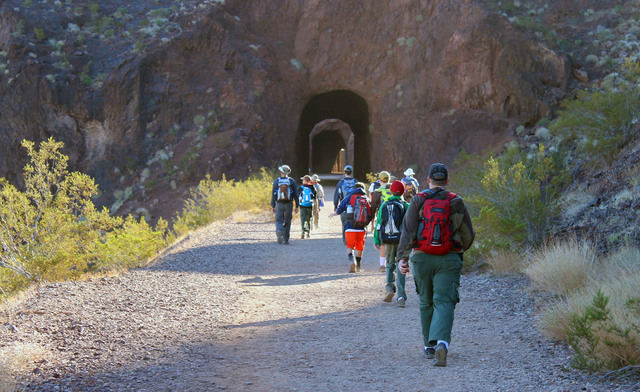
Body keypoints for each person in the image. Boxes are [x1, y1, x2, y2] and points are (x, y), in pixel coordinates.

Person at [397, 163, 475, 367]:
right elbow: (468, 234)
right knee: (445, 301)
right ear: (447, 181)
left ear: (428, 180)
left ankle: (429, 347)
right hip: (449, 257)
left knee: (426, 301)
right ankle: (441, 343)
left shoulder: (418, 200)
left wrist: (402, 259)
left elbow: (408, 231)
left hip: (422, 257)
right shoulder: (456, 201)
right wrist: (457, 251)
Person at [373, 181, 409, 307]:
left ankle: (389, 289)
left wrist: (377, 240)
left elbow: (378, 224)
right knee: (401, 266)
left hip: (388, 241)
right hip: (402, 242)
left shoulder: (384, 206)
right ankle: (401, 296)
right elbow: (411, 225)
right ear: (403, 192)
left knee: (389, 265)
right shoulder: (406, 206)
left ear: (391, 192)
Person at [329, 182, 371, 273]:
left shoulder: (349, 197)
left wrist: (335, 213)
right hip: (361, 228)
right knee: (360, 246)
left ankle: (352, 260)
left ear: (353, 188)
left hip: (350, 226)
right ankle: (359, 266)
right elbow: (370, 213)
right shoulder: (366, 199)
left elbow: (340, 208)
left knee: (350, 245)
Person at [270, 165, 299, 244]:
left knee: (279, 220)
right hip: (289, 203)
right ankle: (286, 239)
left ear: (281, 172)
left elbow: (274, 193)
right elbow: (296, 194)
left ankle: (279, 231)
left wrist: (273, 205)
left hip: (279, 203)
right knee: (288, 221)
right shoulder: (292, 181)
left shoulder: (277, 181)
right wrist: (297, 205)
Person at [370, 171, 391, 272]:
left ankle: (382, 264)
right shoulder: (394, 189)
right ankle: (392, 262)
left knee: (383, 241)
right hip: (396, 217)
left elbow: (373, 208)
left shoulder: (378, 191)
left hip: (382, 217)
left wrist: (372, 223)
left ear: (380, 180)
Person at [333, 165, 358, 245]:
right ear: (352, 172)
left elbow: (336, 195)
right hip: (355, 207)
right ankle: (354, 240)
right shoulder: (356, 181)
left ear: (344, 172)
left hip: (344, 207)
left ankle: (346, 241)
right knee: (354, 223)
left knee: (344, 224)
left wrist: (336, 206)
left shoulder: (341, 182)